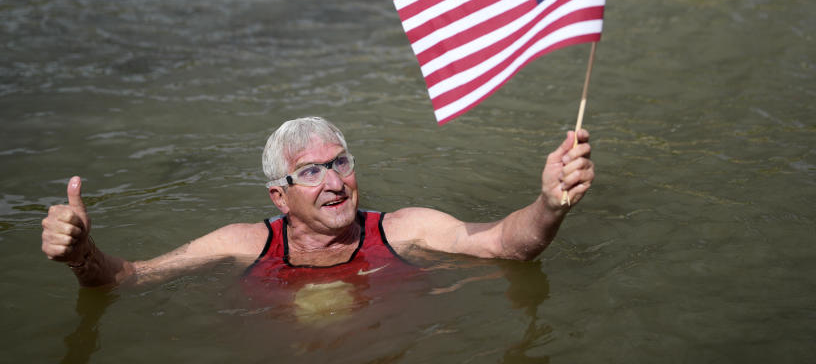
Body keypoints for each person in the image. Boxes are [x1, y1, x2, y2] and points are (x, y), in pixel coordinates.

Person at [41, 116, 594, 288]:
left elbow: (506, 245)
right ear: (279, 196)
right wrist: (81, 255)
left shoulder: (403, 229)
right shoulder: (243, 243)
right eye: (311, 171)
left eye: (341, 162)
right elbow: (130, 278)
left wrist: (549, 205)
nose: (335, 182)